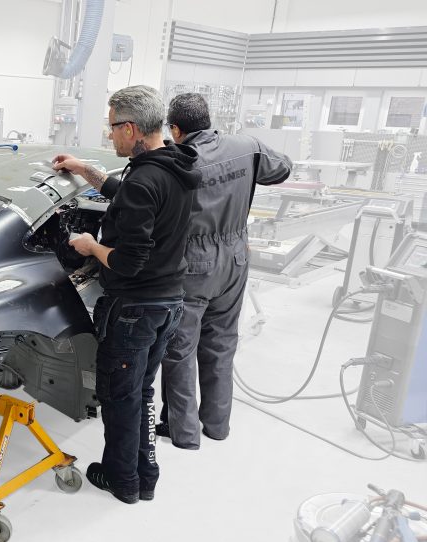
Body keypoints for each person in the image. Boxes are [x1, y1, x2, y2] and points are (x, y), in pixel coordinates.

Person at [54, 85, 201, 504]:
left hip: (135, 306)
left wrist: (90, 247)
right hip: (169, 302)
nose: (110, 136)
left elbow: (128, 261)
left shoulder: (145, 178)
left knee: (120, 397)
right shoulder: (175, 165)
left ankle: (122, 482)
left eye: (113, 127)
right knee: (141, 391)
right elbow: (130, 198)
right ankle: (145, 476)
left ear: (131, 127)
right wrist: (85, 171)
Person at [157, 93, 292, 449]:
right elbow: (283, 168)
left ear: (175, 128)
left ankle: (184, 433)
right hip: (235, 257)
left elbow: (146, 205)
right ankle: (217, 426)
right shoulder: (247, 145)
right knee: (221, 344)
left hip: (194, 263)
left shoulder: (179, 160)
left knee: (180, 349)